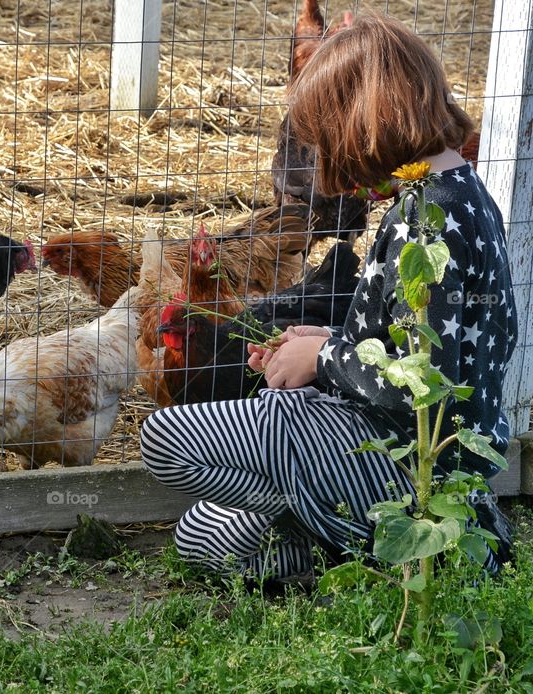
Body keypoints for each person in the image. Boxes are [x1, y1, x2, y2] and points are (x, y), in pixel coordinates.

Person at [140, 12, 517, 581]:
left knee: (164, 438)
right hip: (414, 460)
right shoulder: (465, 196)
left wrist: (323, 360)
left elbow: (427, 384)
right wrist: (337, 340)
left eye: (327, 140)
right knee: (202, 532)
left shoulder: (425, 223)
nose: (324, 161)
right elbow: (441, 342)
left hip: (391, 455)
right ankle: (355, 535)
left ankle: (397, 541)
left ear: (363, 124)